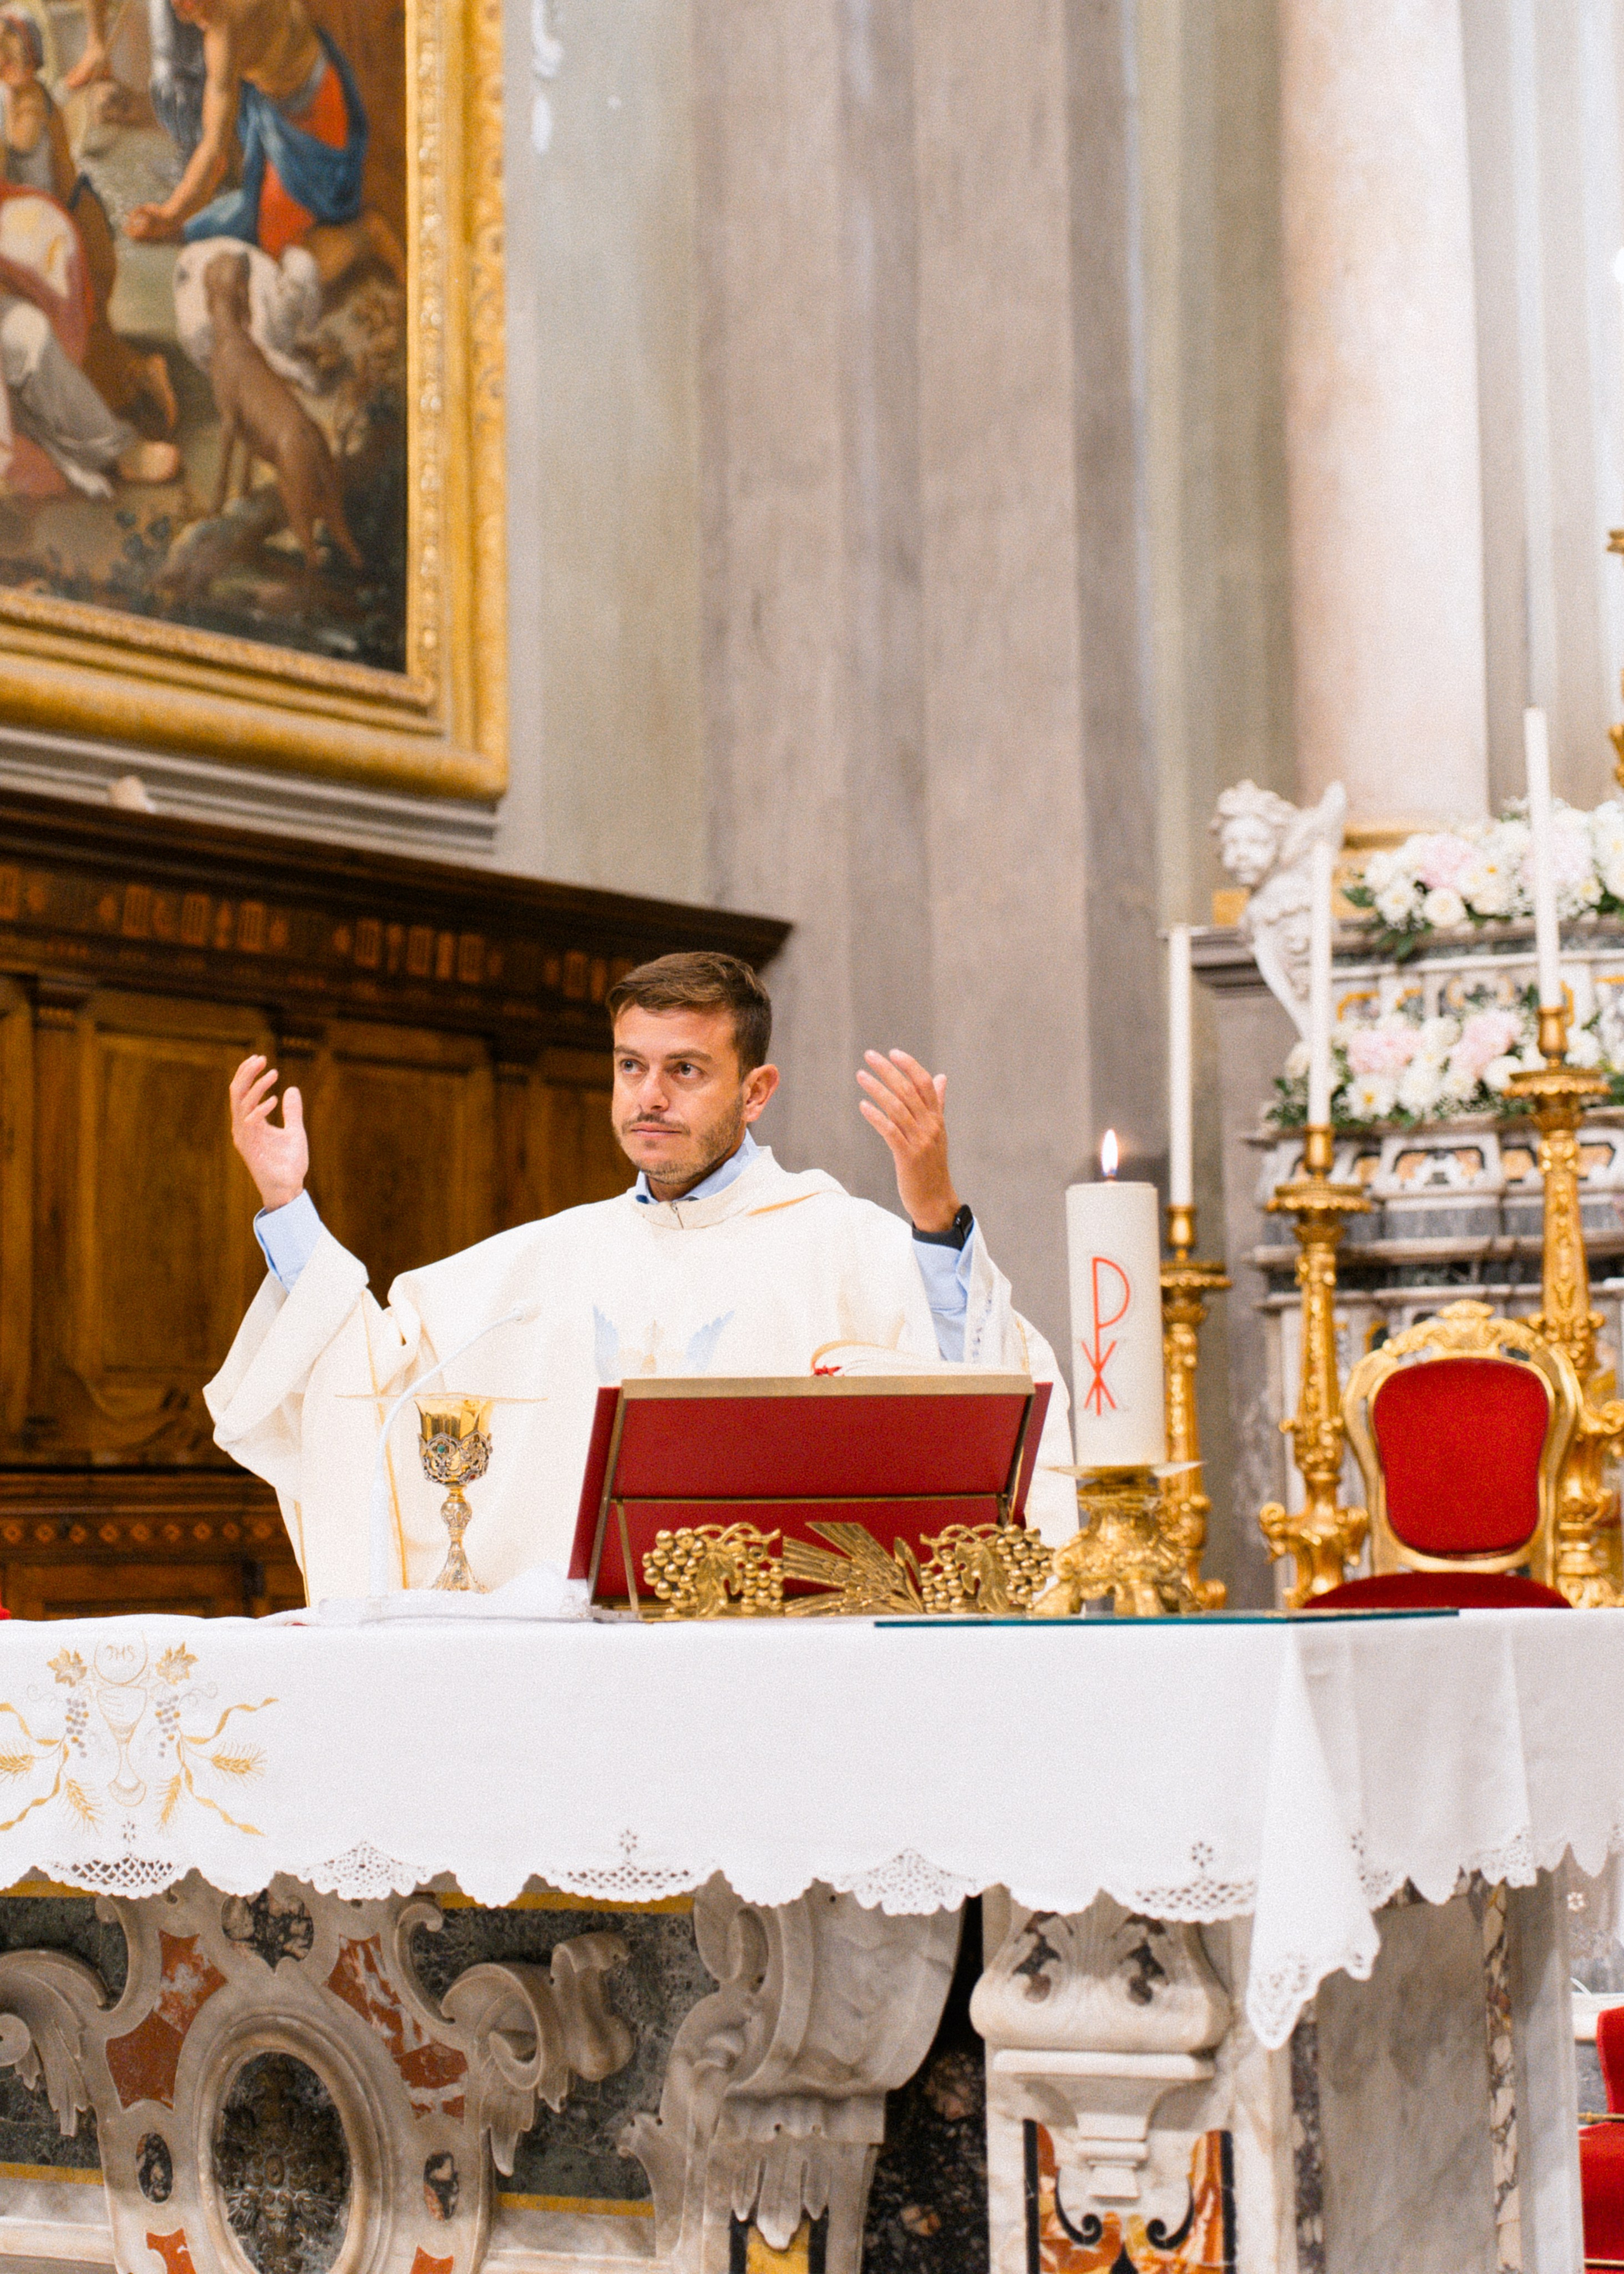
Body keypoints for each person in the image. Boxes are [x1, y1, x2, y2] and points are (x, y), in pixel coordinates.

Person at [205, 951, 1075, 1601]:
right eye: (631, 1066)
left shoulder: (838, 1239)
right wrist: (289, 1210)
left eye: (685, 1070)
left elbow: (987, 1392)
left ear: (757, 1090)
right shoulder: (549, 1258)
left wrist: (934, 1214)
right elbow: (373, 1372)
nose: (649, 1096)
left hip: (788, 1672)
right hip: (584, 1681)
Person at [122, 0, 403, 291]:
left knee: (290, 268)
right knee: (226, 233)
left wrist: (171, 212)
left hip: (318, 117)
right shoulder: (226, 23)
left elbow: (213, 151)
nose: (181, 15)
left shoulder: (224, 32)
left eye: (185, 2)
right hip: (292, 101)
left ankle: (366, 234)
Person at [0, 13, 178, 437]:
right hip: (63, 224)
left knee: (84, 339)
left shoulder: (29, 108)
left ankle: (144, 376)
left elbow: (15, 155)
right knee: (74, 339)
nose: (7, 65)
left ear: (28, 63)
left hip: (78, 228)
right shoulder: (20, 98)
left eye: (11, 57)